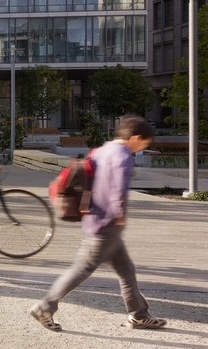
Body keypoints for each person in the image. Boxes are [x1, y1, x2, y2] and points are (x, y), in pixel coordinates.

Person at [31, 116, 166, 333]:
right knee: (82, 269)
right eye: (144, 143)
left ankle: (139, 315)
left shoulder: (104, 149)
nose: (143, 147)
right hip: (106, 224)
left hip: (95, 218)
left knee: (126, 271)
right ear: (136, 138)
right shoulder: (123, 157)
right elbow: (117, 189)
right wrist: (119, 213)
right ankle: (45, 307)